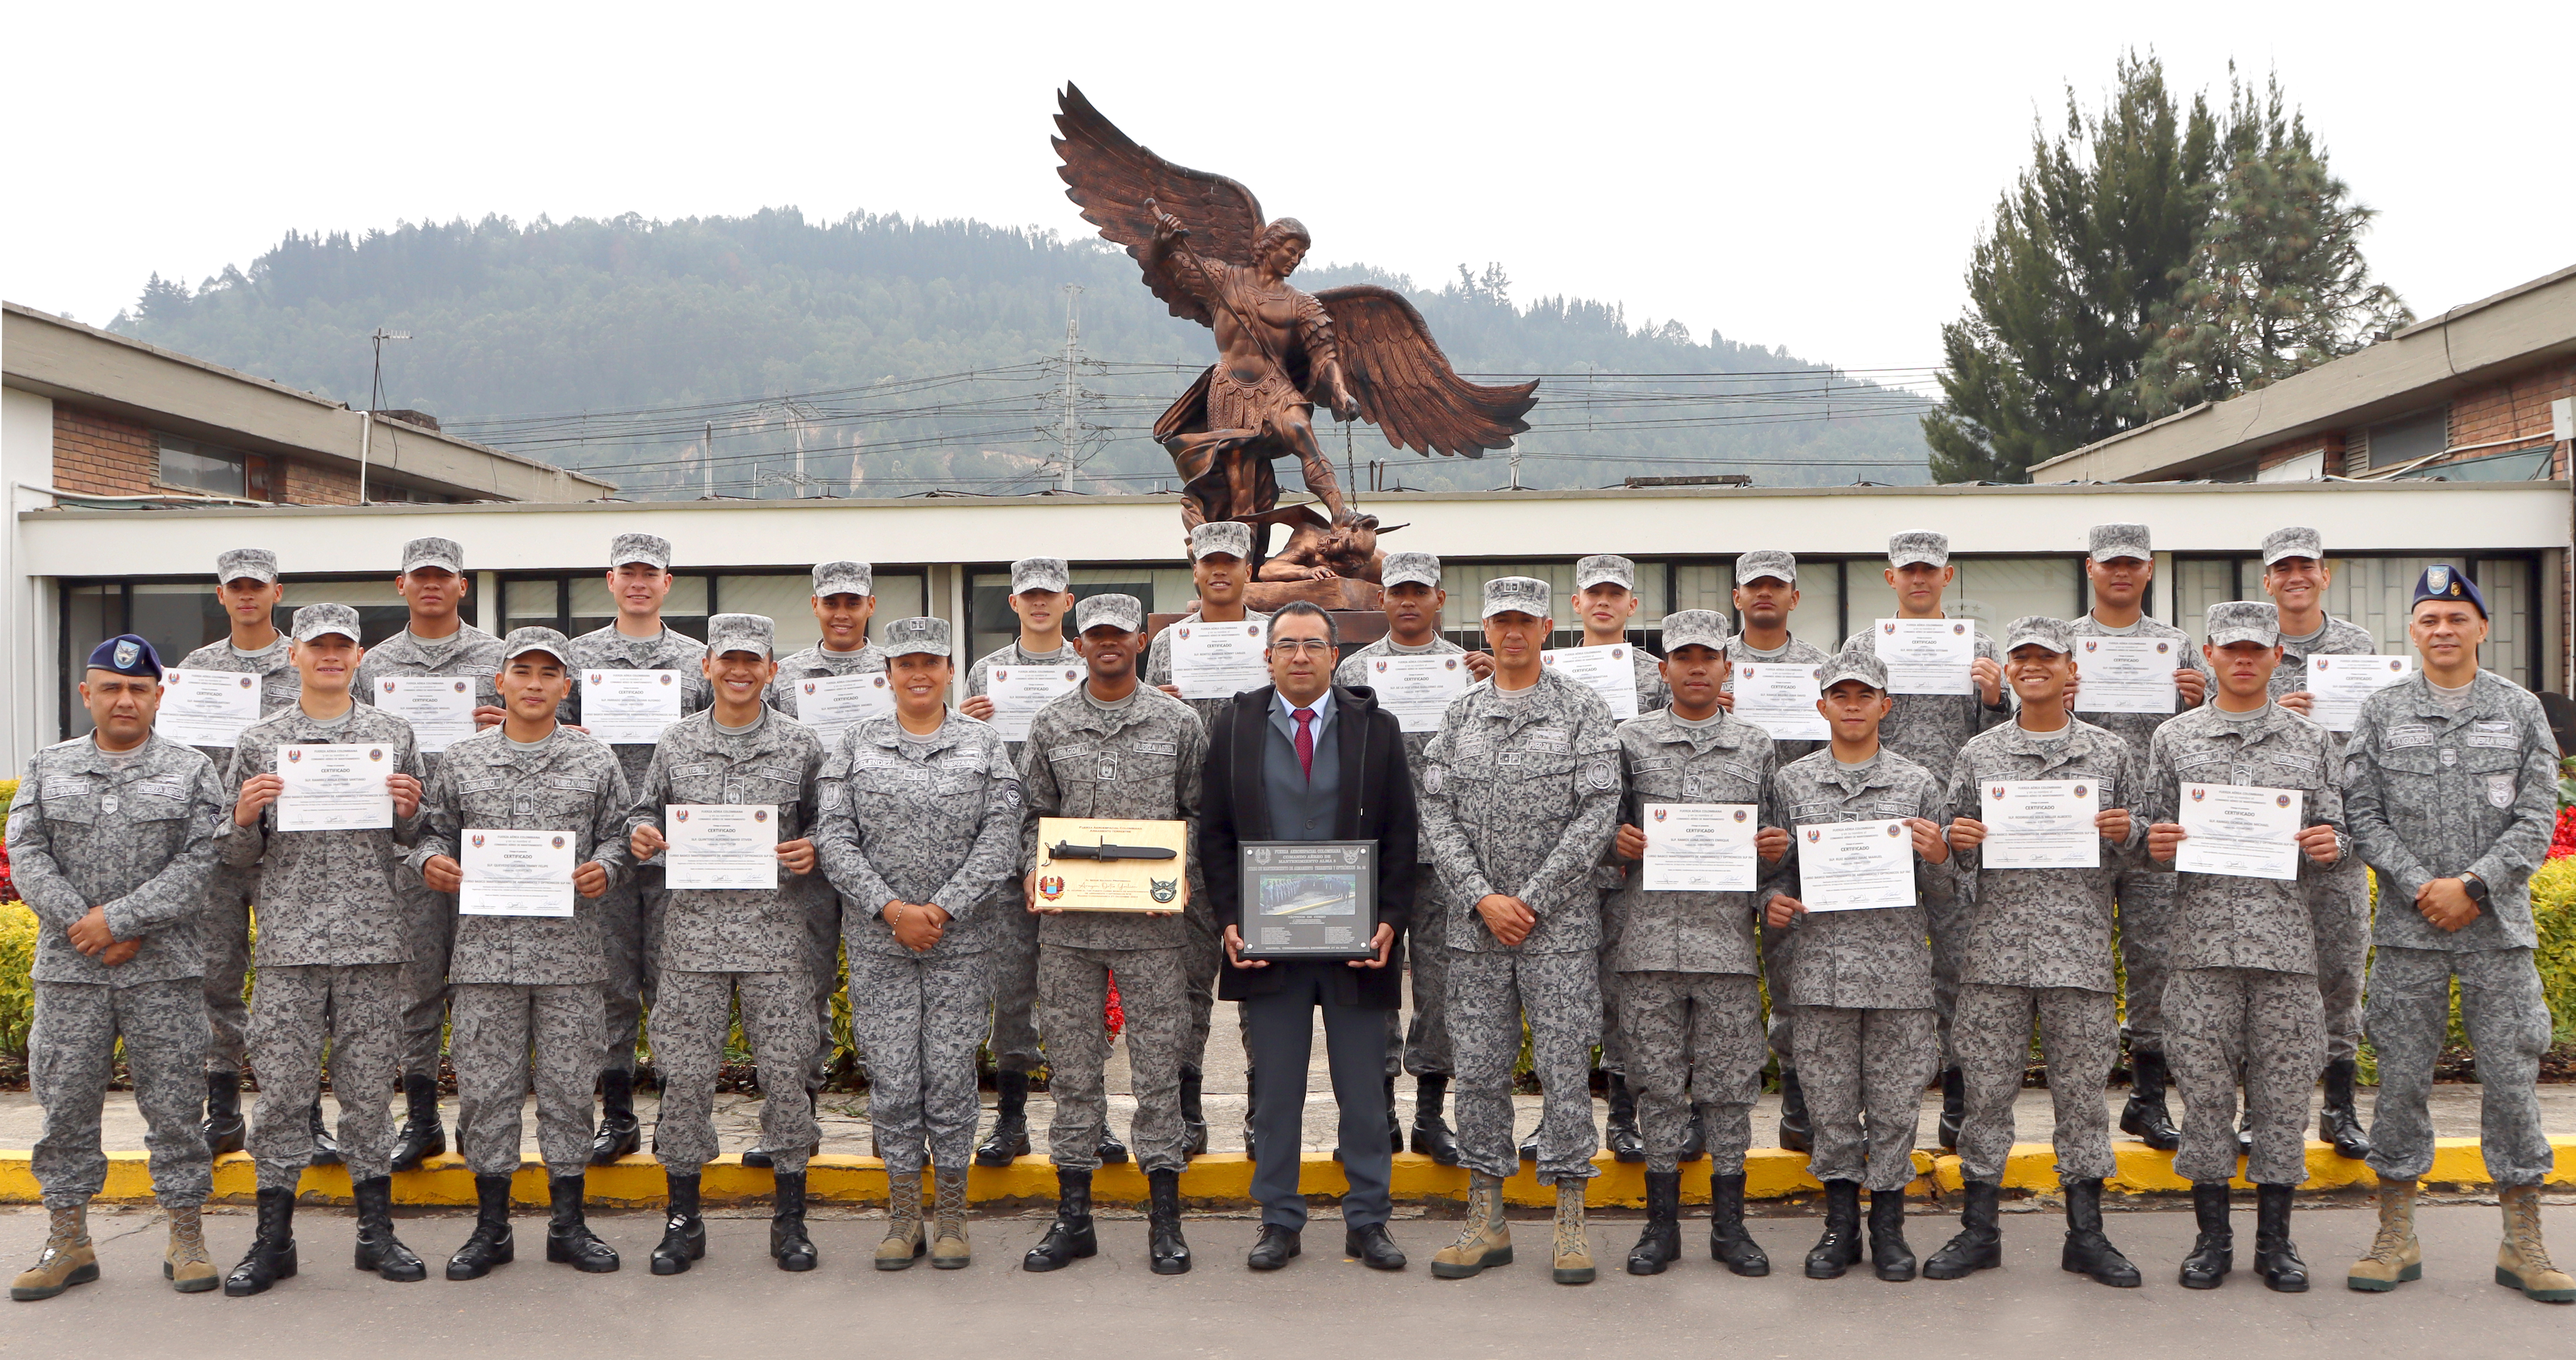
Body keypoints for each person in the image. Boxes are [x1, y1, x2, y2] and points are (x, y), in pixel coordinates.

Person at [2341, 567, 2572, 1303]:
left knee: (2511, 1085)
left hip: (2497, 934)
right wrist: (2420, 886)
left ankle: (2524, 1242)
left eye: (2456, 618)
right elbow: (2362, 814)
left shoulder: (2521, 709)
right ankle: (2395, 1235)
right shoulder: (2381, 712)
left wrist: (2472, 887)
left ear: (2479, 627)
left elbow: (2539, 817)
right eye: (2429, 619)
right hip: (2409, 937)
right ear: (2413, 630)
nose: (2442, 630)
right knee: (2401, 1083)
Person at [215, 603, 430, 1294]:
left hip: (372, 940)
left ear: (360, 656)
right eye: (318, 647)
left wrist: (410, 812)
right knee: (282, 1094)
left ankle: (377, 1235)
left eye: (342, 647)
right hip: (290, 945)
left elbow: (419, 839)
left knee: (368, 1092)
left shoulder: (392, 735)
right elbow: (235, 851)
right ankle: (273, 1241)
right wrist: (246, 815)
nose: (331, 657)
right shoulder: (260, 742)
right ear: (295, 657)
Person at [7, 636, 227, 1302]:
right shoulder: (50, 767)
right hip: (72, 973)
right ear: (87, 695)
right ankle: (67, 1239)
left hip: (164, 973)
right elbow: (26, 852)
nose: (124, 699)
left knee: (176, 1108)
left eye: (138, 689)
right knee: (65, 1107)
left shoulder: (192, 771)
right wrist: (87, 926)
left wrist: (121, 923)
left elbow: (199, 865)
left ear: (159, 696)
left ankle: (185, 1235)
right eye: (110, 688)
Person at [1930, 615, 2144, 1288]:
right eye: (2020, 657)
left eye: (2046, 657)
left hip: (2076, 953)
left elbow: (2143, 863)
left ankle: (2087, 1235)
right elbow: (1952, 860)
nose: (2032, 667)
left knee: (2081, 1099)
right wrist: (1957, 843)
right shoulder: (1979, 755)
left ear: (2070, 668)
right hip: (1994, 954)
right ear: (2011, 670)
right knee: (1987, 1098)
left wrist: (2129, 832)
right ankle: (1979, 1232)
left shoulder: (2111, 755)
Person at [1417, 576, 1620, 1287]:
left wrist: (1528, 899)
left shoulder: (1582, 710)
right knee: (1478, 1073)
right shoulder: (1461, 714)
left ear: (1545, 631)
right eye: (1501, 620)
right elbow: (1435, 812)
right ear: (1485, 629)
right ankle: (1487, 1217)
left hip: (1558, 928)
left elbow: (1599, 809)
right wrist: (1482, 898)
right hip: (1476, 932)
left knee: (1565, 1070)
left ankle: (1570, 1217)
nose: (1512, 633)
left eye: (1525, 622)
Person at [411, 627, 631, 1280]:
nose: (535, 684)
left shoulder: (596, 761)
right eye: (522, 672)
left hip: (571, 960)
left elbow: (623, 834)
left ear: (568, 686)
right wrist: (432, 863)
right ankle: (492, 1228)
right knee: (487, 1093)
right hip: (486, 960)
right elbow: (429, 832)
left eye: (548, 674)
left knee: (569, 1093)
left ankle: (568, 1226)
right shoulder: (461, 760)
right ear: (499, 682)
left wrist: (607, 869)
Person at [1204, 601, 1417, 1273]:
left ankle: (1368, 1219)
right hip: (1270, 944)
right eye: (1287, 645)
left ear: (1334, 656)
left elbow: (1402, 835)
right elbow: (1213, 834)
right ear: (1268, 656)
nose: (1300, 656)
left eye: (1313, 645)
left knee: (1363, 1090)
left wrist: (1389, 921)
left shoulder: (1376, 728)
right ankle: (1279, 1218)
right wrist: (1232, 922)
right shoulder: (1235, 727)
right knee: (1276, 1092)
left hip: (1357, 944)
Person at [2142, 600, 2345, 1293]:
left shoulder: (2312, 742)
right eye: (2232, 648)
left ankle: (2277, 1243)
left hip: (2286, 951)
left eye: (2257, 649)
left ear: (2275, 656)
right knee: (2203, 1097)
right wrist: (2154, 842)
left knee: (2283, 1098)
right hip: (2200, 950)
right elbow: (2148, 838)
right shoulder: (2174, 740)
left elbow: (2341, 833)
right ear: (2210, 653)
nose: (2244, 659)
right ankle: (2212, 1240)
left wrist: (2331, 845)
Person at [622, 613, 828, 1276]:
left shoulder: (802, 745)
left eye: (754, 661)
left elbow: (832, 824)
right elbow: (644, 810)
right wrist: (643, 835)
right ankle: (683, 1216)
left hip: (776, 937)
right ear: (706, 666)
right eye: (728, 660)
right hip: (693, 938)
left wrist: (813, 848)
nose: (740, 672)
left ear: (772, 670)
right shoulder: (676, 742)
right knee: (683, 1075)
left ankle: (790, 1216)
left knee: (787, 1074)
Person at [816, 616, 1020, 1273]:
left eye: (931, 662)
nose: (919, 674)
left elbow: (1002, 838)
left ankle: (953, 1216)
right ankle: (905, 1216)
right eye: (906, 664)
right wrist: (892, 909)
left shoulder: (985, 745)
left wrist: (940, 908)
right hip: (881, 944)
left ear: (951, 671)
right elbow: (834, 838)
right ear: (889, 675)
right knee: (897, 1080)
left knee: (952, 1074)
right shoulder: (855, 744)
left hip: (961, 942)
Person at [1018, 594, 1209, 1276]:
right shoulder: (1051, 724)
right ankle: (1073, 1219)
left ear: (1139, 643)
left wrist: (1182, 875)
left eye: (1120, 636)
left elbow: (1197, 815)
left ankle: (1165, 1220)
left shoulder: (1177, 723)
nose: (1108, 645)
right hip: (1069, 932)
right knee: (1073, 1074)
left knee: (1159, 1074)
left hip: (1152, 931)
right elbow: (1033, 814)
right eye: (1096, 635)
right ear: (1078, 643)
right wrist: (1029, 873)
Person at [1759, 650, 1955, 1284]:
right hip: (1818, 975)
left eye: (1863, 695)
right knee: (1831, 1106)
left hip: (1897, 975)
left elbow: (1947, 895)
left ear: (1884, 706)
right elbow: (1773, 876)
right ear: (1821, 707)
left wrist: (1941, 856)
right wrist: (1772, 902)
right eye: (1839, 695)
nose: (1851, 704)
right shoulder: (1790, 785)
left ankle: (1890, 1228)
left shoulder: (1920, 784)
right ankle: (1840, 1226)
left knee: (1897, 1107)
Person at [1601, 610, 1783, 1277]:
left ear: (1727, 667)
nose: (1698, 667)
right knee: (1656, 1087)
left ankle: (1731, 1229)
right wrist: (1614, 844)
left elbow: (1779, 852)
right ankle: (1661, 1228)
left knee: (1731, 1089)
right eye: (1684, 657)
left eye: (1709, 657)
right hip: (1647, 943)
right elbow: (1600, 829)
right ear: (1664, 669)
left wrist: (1775, 853)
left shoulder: (1758, 746)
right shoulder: (1628, 741)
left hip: (1727, 947)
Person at [1839, 530, 2006, 1151]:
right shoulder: (1863, 646)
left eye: (1929, 571)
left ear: (1948, 576)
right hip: (1878, 824)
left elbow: (1999, 738)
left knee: (1961, 964)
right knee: (1879, 965)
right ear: (1890, 578)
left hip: (1956, 826)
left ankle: (1961, 1100)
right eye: (1907, 570)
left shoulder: (1980, 647)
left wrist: (1995, 696)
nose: (1918, 579)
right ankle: (1873, 1104)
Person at [355, 536, 506, 1175]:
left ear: (462, 586)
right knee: (414, 988)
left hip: (491, 840)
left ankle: (484, 1120)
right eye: (420, 577)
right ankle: (421, 1123)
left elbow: (554, 725)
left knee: (485, 989)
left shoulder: (499, 657)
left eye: (443, 577)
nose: (432, 587)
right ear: (401, 585)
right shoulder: (375, 665)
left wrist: (506, 724)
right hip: (412, 842)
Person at [1334, 551, 1489, 1165]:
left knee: (1441, 988)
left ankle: (1430, 1114)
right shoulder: (1352, 672)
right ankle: (1380, 1114)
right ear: (1381, 598)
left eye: (1419, 591)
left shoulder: (1470, 670)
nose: (1407, 601)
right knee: (1370, 985)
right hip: (1372, 853)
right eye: (1397, 591)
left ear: (1439, 599)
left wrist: (1483, 682)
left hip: (1447, 855)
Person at [564, 533, 712, 1166]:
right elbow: (550, 727)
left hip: (683, 848)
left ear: (668, 582)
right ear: (611, 580)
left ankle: (676, 1116)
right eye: (629, 573)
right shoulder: (576, 656)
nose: (640, 583)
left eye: (651, 574)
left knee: (676, 986)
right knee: (614, 985)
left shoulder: (698, 659)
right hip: (605, 843)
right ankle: (619, 1115)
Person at [2066, 524, 2210, 1156]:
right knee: (2082, 959)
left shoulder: (2177, 646)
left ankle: (2148, 1097)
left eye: (2132, 564)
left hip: (2154, 824)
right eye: (2109, 563)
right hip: (2077, 829)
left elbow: (2209, 728)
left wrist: (2198, 699)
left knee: (2154, 957)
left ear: (2149, 570)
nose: (2120, 573)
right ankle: (2083, 1095)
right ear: (2090, 569)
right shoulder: (2065, 643)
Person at [173, 548, 302, 1164]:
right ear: (221, 596)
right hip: (219, 849)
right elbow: (180, 758)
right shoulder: (198, 670)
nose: (247, 597)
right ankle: (222, 1111)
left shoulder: (307, 660)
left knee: (291, 986)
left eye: (258, 587)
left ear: (278, 592)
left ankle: (294, 1107)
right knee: (216, 981)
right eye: (236, 588)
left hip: (294, 849)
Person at [1146, 520, 1270, 1157]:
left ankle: (1260, 1112)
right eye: (1208, 561)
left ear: (1250, 569)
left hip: (1261, 824)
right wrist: (1158, 701)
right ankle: (1189, 1108)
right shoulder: (1168, 644)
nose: (1219, 571)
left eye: (1231, 562)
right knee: (1187, 979)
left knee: (1259, 976)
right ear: (1194, 568)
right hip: (1189, 828)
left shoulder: (1275, 637)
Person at [759, 560, 887, 1165]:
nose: (841, 612)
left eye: (852, 602)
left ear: (870, 605)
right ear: (814, 606)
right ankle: (796, 1120)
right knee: (801, 986)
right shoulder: (784, 676)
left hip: (879, 850)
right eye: (830, 602)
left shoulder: (894, 669)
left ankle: (892, 1125)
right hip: (804, 852)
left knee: (879, 987)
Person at [2257, 527, 2375, 1160]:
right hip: (2261, 846)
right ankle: (2261, 1109)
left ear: (2325, 574)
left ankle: (2340, 1107)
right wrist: (2283, 716)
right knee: (2263, 978)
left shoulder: (2356, 647)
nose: (2296, 577)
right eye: (2284, 568)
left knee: (2338, 973)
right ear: (2267, 579)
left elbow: (2375, 739)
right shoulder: (2250, 646)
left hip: (2336, 841)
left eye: (2307, 566)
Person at [960, 556, 1078, 1168]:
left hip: (1071, 843)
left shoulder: (1085, 668)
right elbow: (966, 755)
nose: (1039, 604)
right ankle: (1011, 1120)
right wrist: (965, 722)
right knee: (1011, 990)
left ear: (1068, 600)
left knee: (1074, 992)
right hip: (1005, 850)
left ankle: (1085, 1116)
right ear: (1013, 603)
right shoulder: (988, 671)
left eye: (1049, 595)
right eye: (1029, 595)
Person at [1722, 549, 1830, 1155]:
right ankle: (1711, 1100)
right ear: (1737, 597)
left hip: (1802, 842)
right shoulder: (1712, 665)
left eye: (1776, 586)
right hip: (1717, 842)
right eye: (1753, 586)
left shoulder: (1821, 667)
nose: (1765, 595)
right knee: (1715, 979)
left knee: (1796, 977)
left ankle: (1797, 1101)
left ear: (1795, 596)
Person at [1571, 553, 1664, 1162]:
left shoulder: (1660, 676)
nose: (1604, 602)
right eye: (1592, 593)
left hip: (1639, 855)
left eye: (1616, 593)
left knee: (1628, 989)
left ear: (1633, 605)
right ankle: (1566, 1113)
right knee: (1570, 990)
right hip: (1572, 857)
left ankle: (1626, 1115)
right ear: (1575, 604)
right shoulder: (1548, 672)